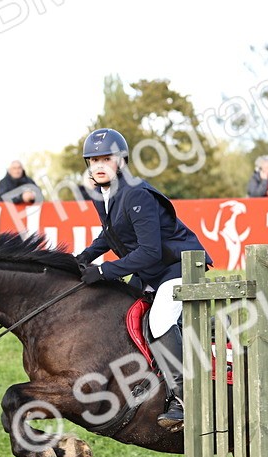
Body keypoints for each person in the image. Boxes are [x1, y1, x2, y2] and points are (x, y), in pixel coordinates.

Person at [74, 127, 212, 432]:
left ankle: (185, 397)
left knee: (160, 320)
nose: (98, 165)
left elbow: (150, 251)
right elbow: (111, 235)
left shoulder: (137, 193)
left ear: (121, 160)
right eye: (93, 160)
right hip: (154, 271)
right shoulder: (105, 193)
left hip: (180, 267)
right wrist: (82, 258)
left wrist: (104, 270)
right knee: (120, 312)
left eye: (105, 159)